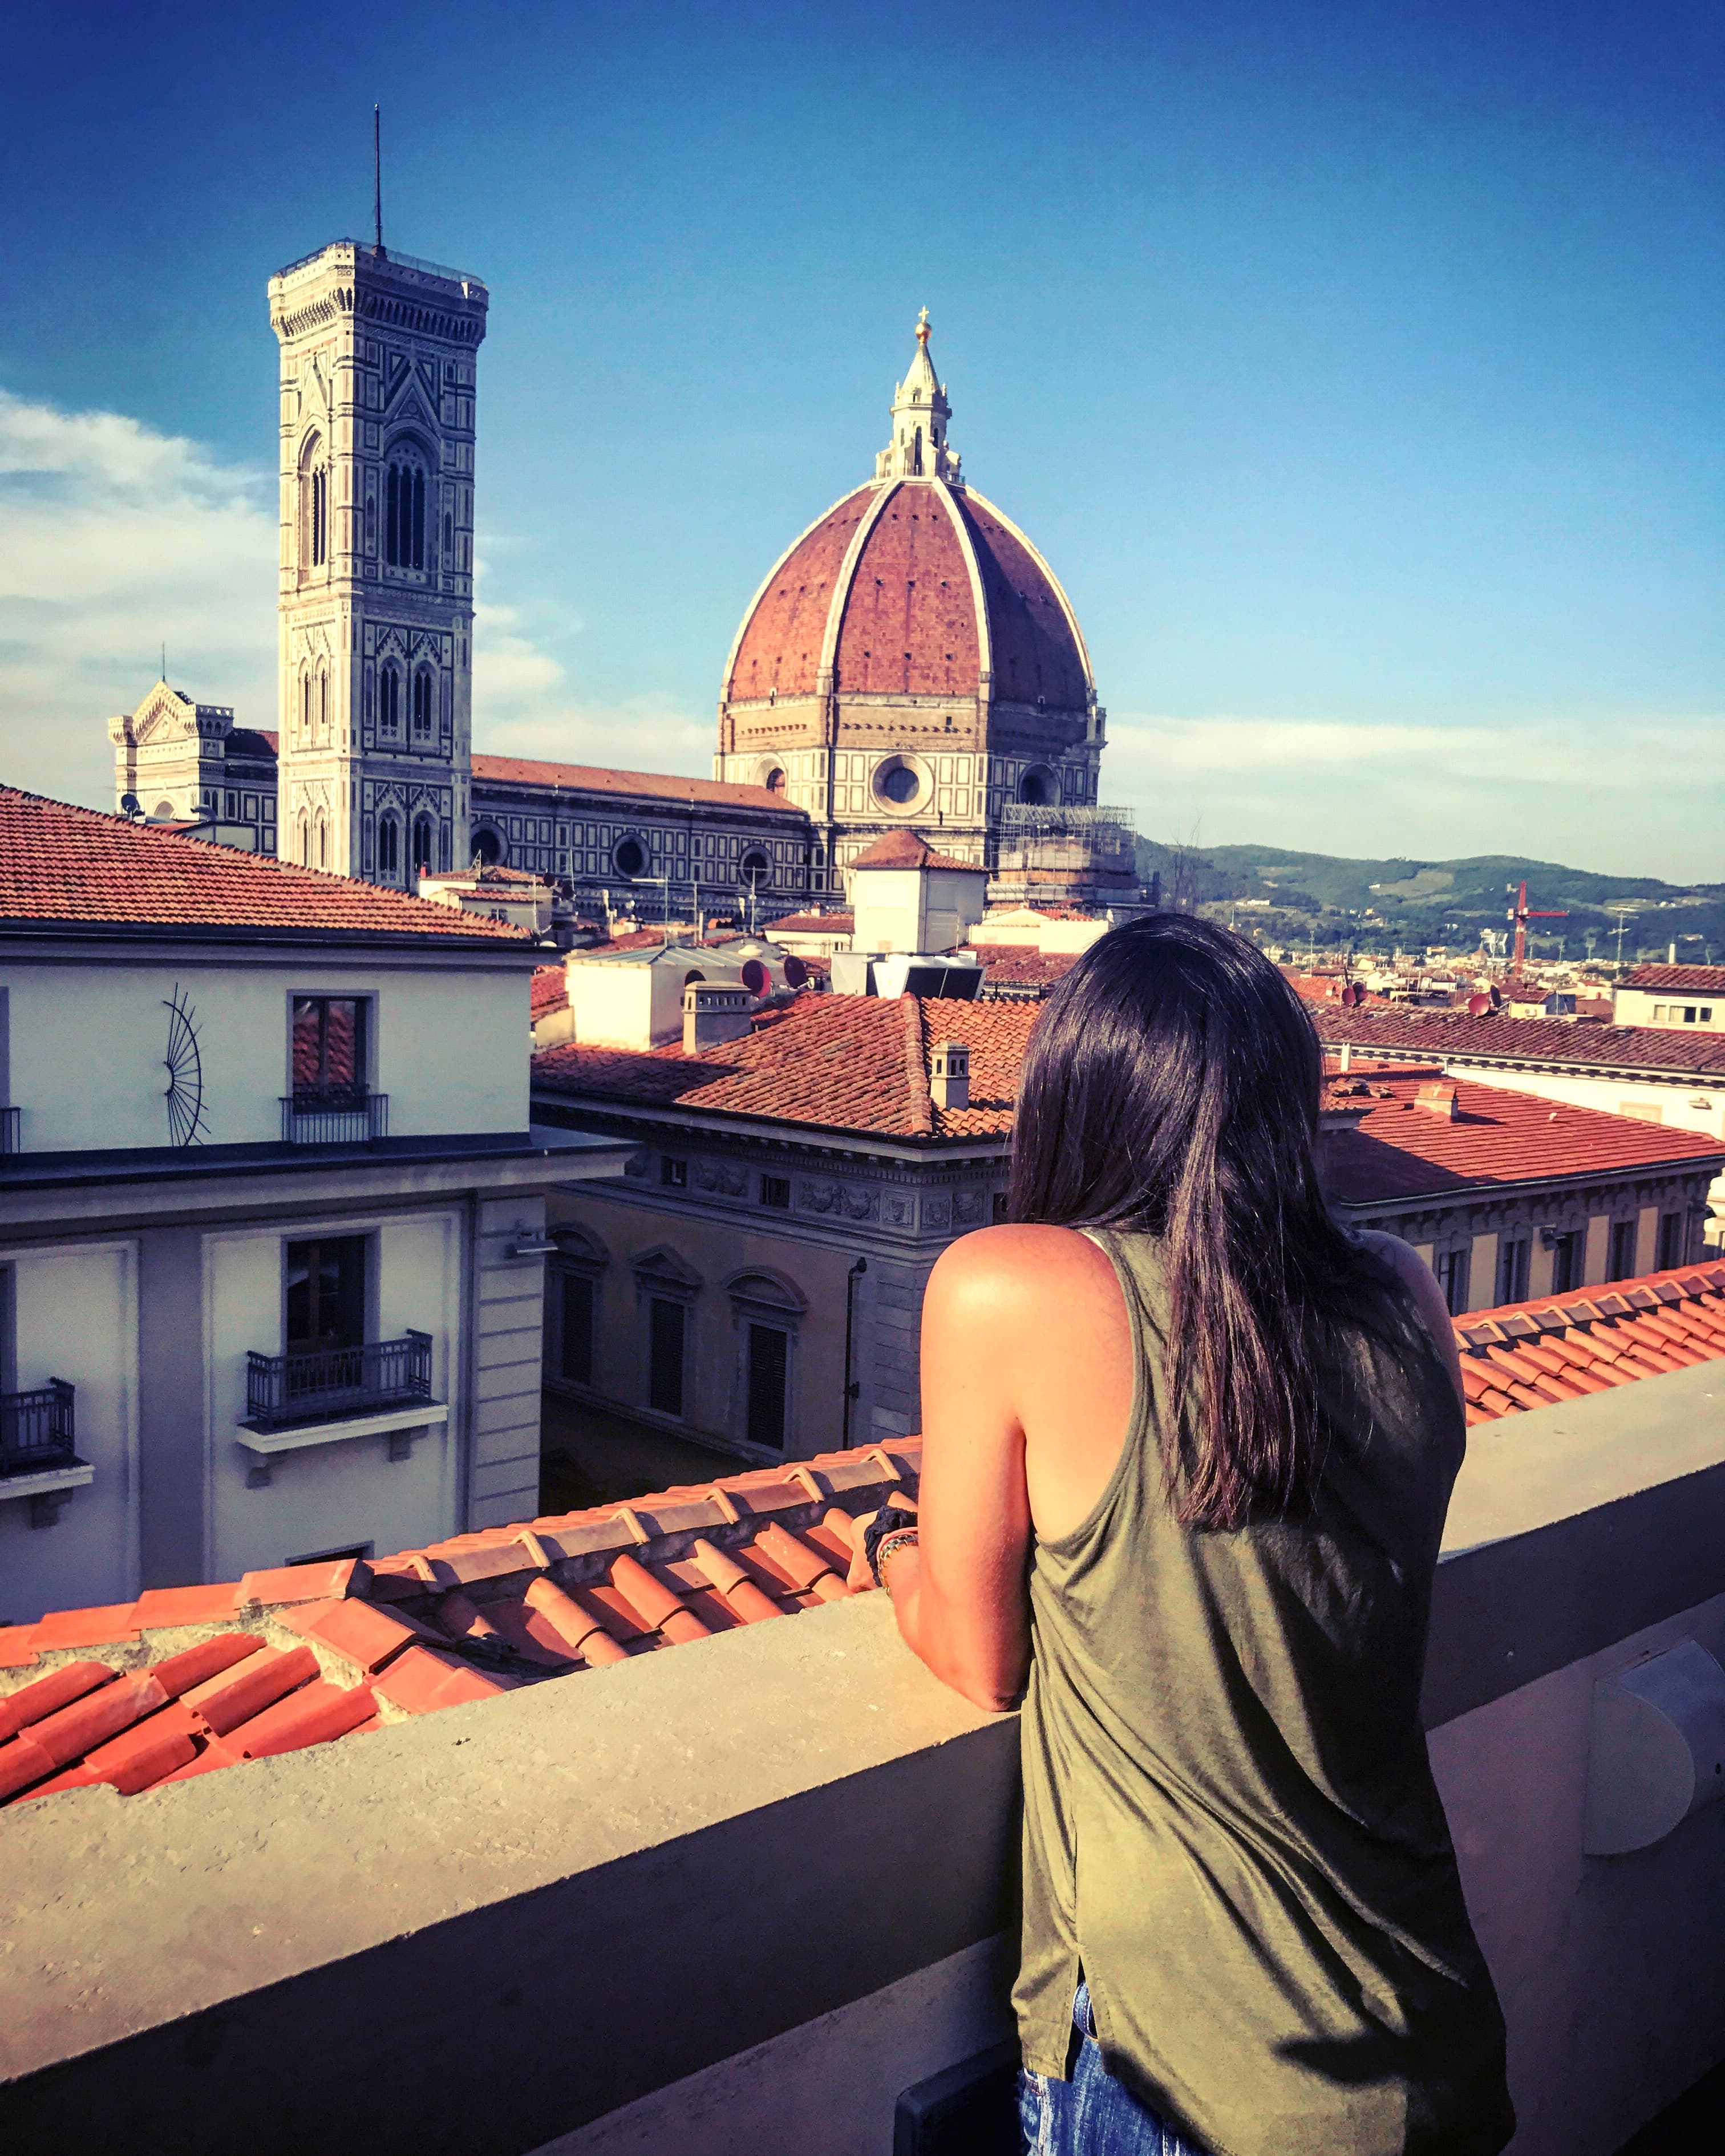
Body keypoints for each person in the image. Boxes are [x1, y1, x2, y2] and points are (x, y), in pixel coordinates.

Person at [849, 915, 1513, 2156]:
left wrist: (887, 1555)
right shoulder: (1402, 1291)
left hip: (1194, 2079)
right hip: (1430, 2031)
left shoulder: (1012, 1285)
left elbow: (979, 1660)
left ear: (1075, 1101)